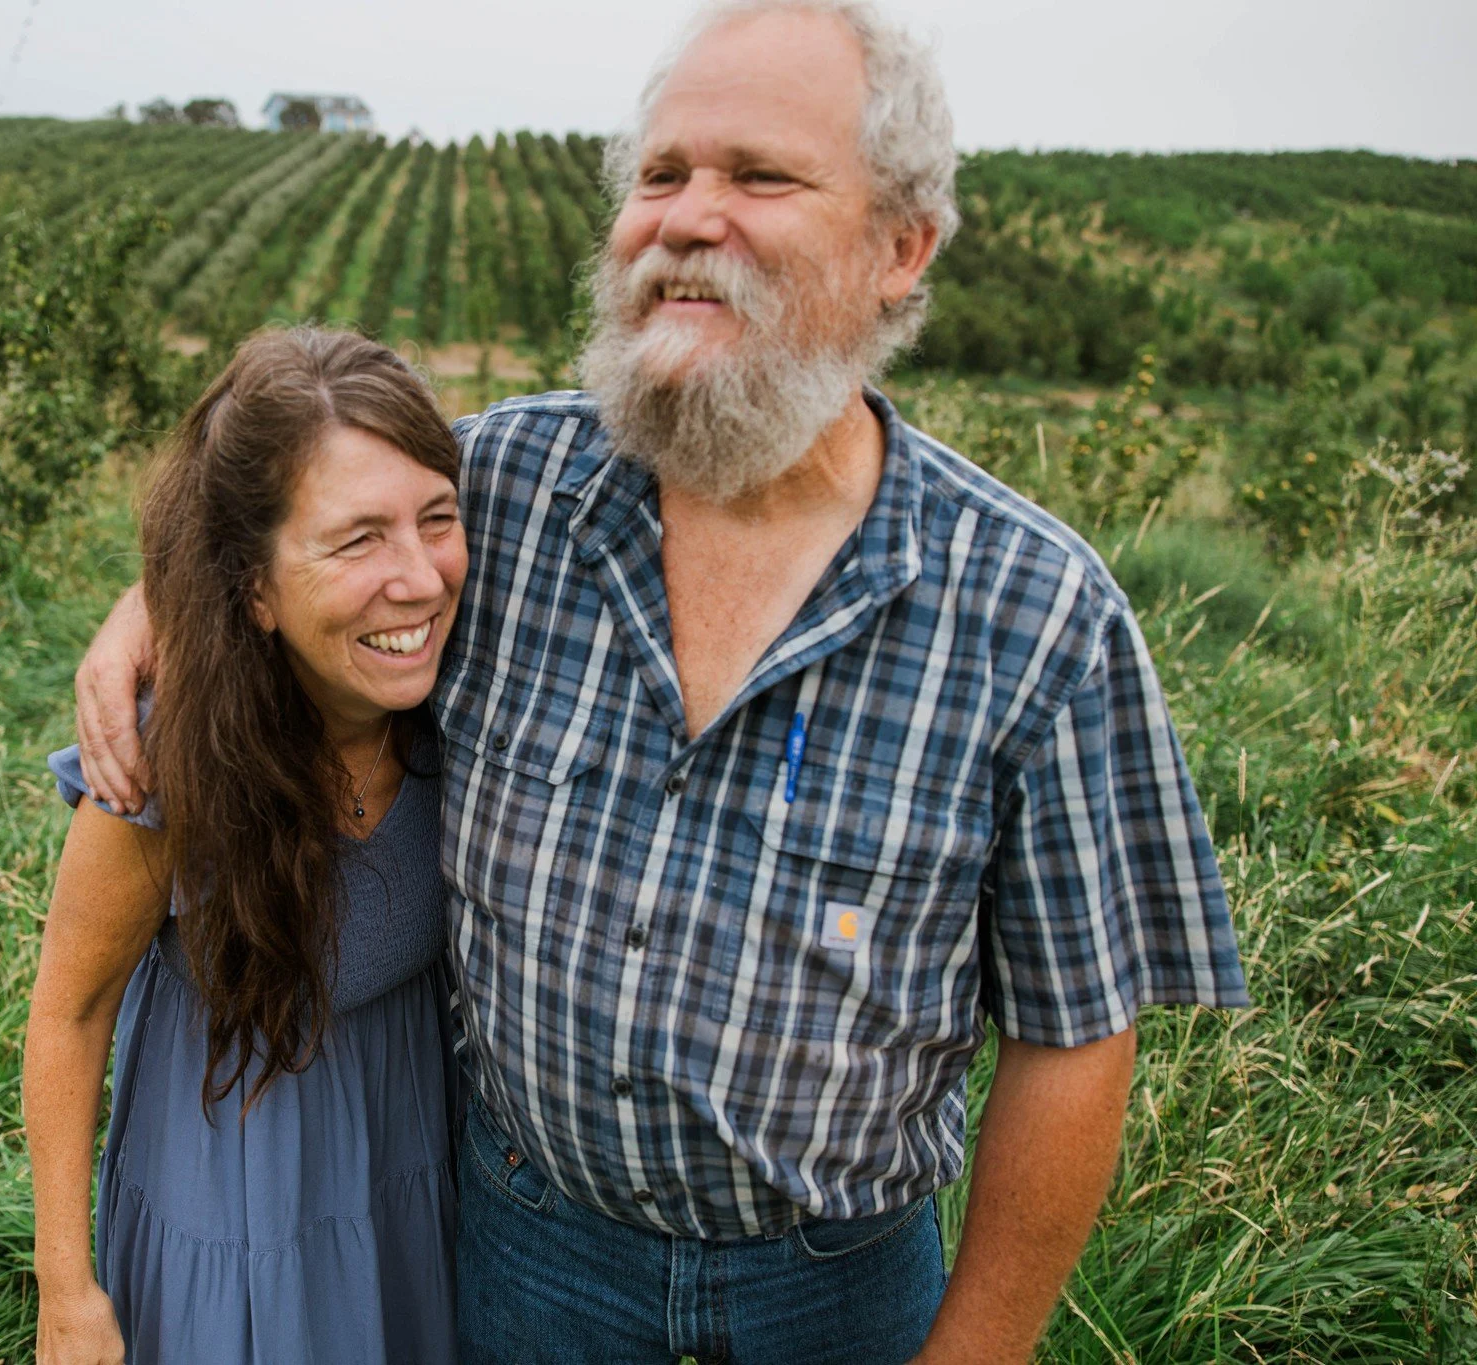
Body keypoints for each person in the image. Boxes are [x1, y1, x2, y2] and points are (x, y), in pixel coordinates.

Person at [73, 2, 1251, 1361]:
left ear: (900, 248)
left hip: (834, 1288)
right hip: (526, 1247)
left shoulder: (1036, 616)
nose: (689, 218)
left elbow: (1074, 1037)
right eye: (659, 175)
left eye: (761, 175)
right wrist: (158, 603)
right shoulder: (504, 490)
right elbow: (286, 512)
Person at [23, 328, 467, 1365]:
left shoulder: (463, 694)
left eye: (435, 520)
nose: (417, 580)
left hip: (412, 1172)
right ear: (253, 590)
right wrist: (66, 1288)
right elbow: (69, 1008)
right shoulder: (170, 769)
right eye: (356, 540)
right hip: (233, 1199)